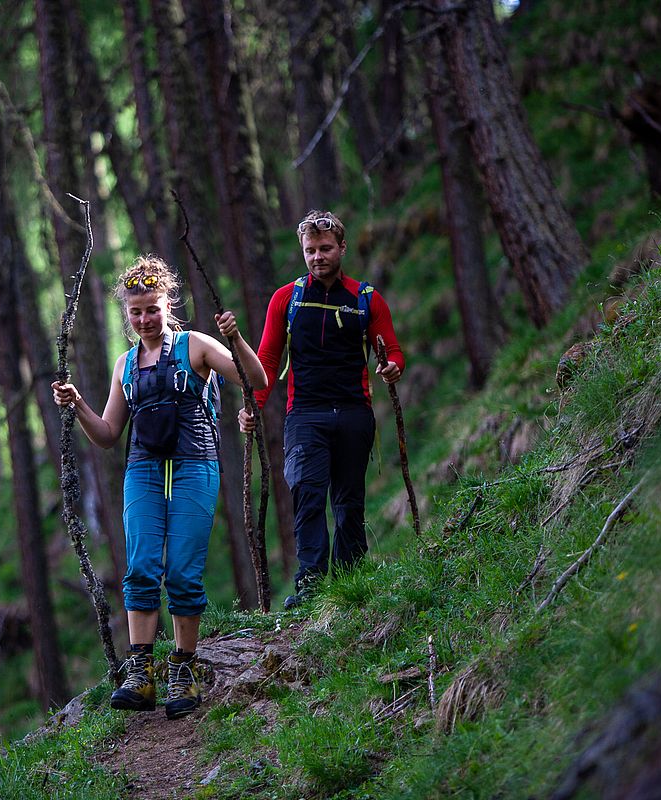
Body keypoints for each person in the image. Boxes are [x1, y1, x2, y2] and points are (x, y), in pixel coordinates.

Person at [52, 254, 267, 719]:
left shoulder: (197, 346)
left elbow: (257, 379)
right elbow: (109, 434)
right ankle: (141, 670)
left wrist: (234, 337)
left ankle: (184, 669)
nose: (145, 318)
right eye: (136, 311)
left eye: (152, 307)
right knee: (143, 567)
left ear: (167, 304)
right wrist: (77, 406)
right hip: (143, 471)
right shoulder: (124, 365)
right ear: (126, 315)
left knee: (184, 572)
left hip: (196, 465)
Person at [239, 210, 404, 609]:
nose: (318, 257)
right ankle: (311, 583)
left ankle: (350, 581)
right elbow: (268, 360)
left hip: (353, 413)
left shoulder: (366, 299)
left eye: (325, 248)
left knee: (349, 500)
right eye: (310, 250)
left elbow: (392, 349)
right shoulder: (287, 299)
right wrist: (254, 410)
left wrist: (392, 367)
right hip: (305, 415)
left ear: (342, 248)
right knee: (307, 493)